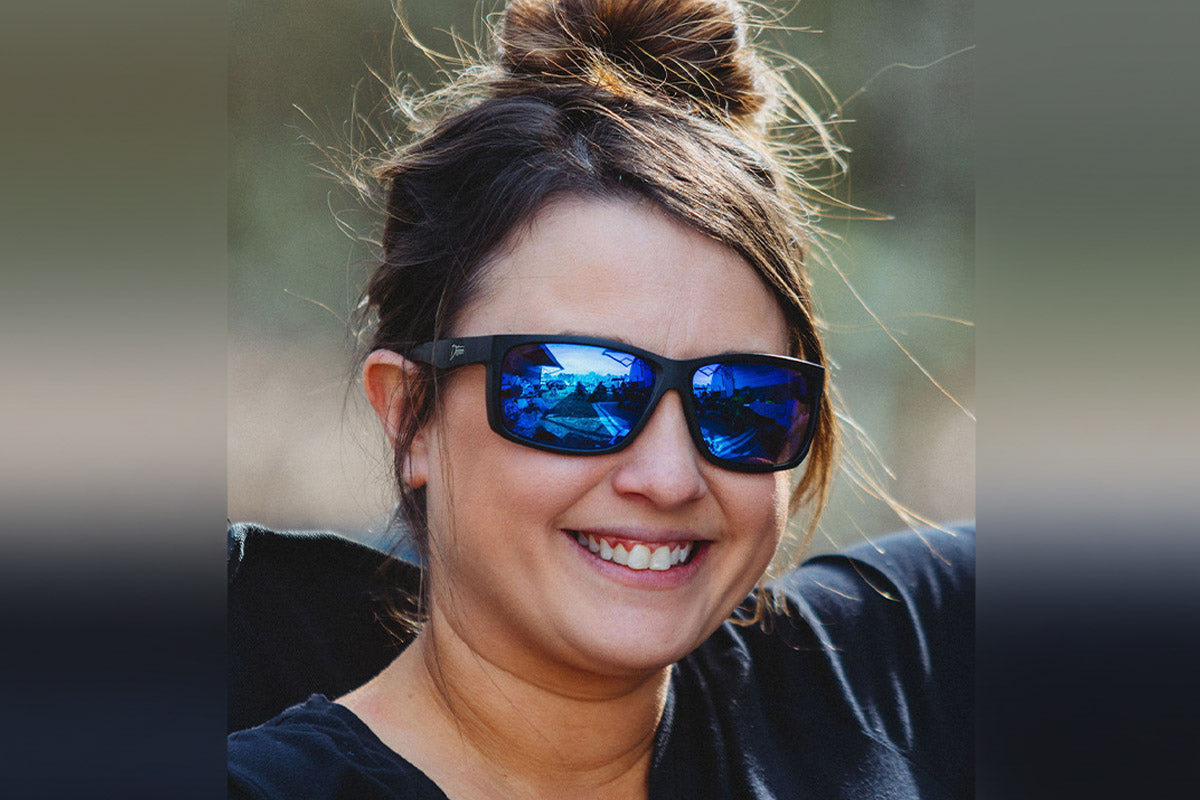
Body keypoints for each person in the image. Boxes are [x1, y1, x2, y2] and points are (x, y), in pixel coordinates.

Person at [227, 0, 973, 797]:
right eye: (578, 389)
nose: (670, 478)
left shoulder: (874, 682)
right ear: (413, 417)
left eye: (741, 402)